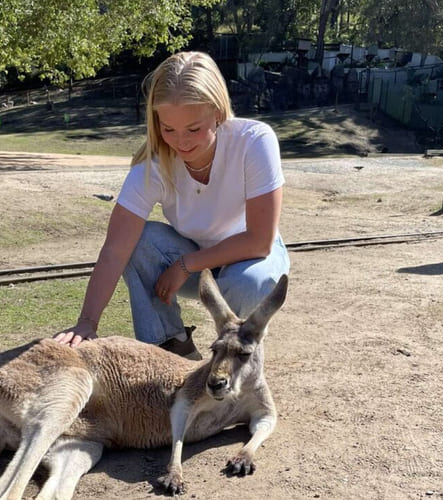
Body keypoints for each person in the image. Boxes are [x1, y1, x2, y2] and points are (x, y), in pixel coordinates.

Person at [54, 51, 290, 359]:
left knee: (248, 283)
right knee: (137, 241)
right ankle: (171, 352)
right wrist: (86, 322)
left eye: (194, 129)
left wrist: (186, 264)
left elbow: (259, 242)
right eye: (168, 129)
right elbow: (115, 250)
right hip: (192, 257)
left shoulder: (254, 140)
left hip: (249, 257)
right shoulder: (151, 167)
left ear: (218, 112)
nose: (181, 142)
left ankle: (237, 363)